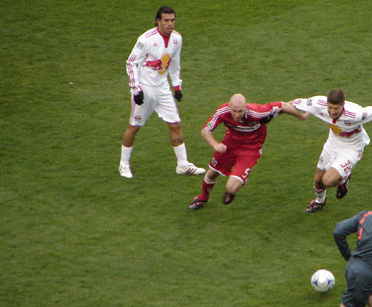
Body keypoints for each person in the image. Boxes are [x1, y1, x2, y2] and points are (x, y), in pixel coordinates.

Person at [290, 89, 372, 213]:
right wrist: (273, 110)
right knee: (318, 179)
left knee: (328, 181)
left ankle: (344, 178)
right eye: (330, 107)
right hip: (332, 143)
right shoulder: (318, 103)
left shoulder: (356, 114)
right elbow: (292, 103)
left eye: (336, 108)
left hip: (352, 148)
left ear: (343, 104)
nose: (332, 111)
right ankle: (320, 201)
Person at [119, 6, 204, 178]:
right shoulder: (146, 39)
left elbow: (174, 63)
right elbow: (130, 63)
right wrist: (136, 88)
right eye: (166, 20)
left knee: (175, 124)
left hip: (163, 89)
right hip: (145, 89)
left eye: (172, 20)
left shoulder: (177, 39)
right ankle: (123, 164)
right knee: (134, 127)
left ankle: (182, 164)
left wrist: (177, 85)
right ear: (158, 21)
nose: (170, 24)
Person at [188, 93, 307, 209]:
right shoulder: (222, 112)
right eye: (234, 111)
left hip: (250, 149)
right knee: (212, 172)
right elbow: (205, 130)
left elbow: (283, 106)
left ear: (246, 107)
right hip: (230, 145)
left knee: (230, 188)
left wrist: (302, 117)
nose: (237, 114)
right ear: (229, 106)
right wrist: (215, 145)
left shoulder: (257, 111)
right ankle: (203, 197)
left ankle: (236, 184)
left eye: (240, 111)